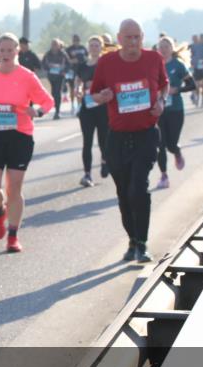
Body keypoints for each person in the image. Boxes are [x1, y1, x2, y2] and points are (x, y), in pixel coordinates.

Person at [90, 19, 169, 264]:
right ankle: (132, 240)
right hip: (117, 137)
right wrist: (102, 97)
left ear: (142, 37)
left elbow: (164, 86)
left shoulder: (153, 59)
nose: (133, 42)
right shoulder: (107, 62)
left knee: (139, 188)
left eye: (137, 37)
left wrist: (161, 102)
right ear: (119, 38)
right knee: (124, 193)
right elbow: (95, 94)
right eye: (128, 37)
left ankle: (143, 244)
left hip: (146, 133)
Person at [0, 33, 54, 253]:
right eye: (2, 50)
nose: (6, 54)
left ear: (17, 51)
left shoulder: (27, 76)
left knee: (13, 188)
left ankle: (13, 236)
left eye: (10, 50)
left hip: (20, 136)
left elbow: (48, 101)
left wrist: (38, 111)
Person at [154, 37, 196, 190]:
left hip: (175, 110)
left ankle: (176, 151)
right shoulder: (154, 65)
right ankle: (164, 176)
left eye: (167, 46)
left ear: (172, 48)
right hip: (159, 110)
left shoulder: (178, 66)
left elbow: (192, 85)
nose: (164, 49)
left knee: (171, 144)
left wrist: (176, 90)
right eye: (161, 46)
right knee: (160, 144)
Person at [76, 36, 110, 187]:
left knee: (104, 140)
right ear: (88, 47)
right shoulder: (82, 65)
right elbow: (78, 81)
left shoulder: (105, 64)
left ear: (101, 47)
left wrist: (97, 85)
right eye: (92, 45)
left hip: (102, 107)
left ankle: (105, 161)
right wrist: (78, 90)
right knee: (87, 142)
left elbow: (111, 81)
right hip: (87, 108)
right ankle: (87, 174)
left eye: (97, 45)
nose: (94, 48)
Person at [42, 38, 70, 119]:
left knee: (57, 92)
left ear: (59, 45)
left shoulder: (63, 54)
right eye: (53, 44)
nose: (54, 46)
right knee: (53, 92)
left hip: (60, 76)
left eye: (55, 44)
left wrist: (64, 71)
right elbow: (43, 64)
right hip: (51, 76)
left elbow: (68, 64)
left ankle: (57, 111)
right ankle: (55, 108)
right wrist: (48, 69)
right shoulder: (48, 54)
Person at [190, 34, 203, 107]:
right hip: (196, 68)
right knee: (197, 85)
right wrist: (192, 63)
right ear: (199, 39)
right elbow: (191, 55)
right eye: (201, 38)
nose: (202, 40)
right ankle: (197, 99)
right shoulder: (195, 46)